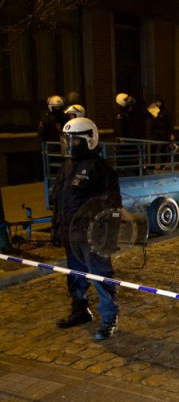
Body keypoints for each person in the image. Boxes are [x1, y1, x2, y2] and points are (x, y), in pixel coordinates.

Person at [51, 117, 122, 341]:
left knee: (101, 277)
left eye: (76, 140)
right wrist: (57, 229)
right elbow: (60, 201)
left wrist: (107, 236)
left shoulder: (100, 169)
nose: (71, 144)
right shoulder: (67, 166)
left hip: (93, 237)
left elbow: (113, 206)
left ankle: (109, 317)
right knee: (75, 276)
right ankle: (80, 309)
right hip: (70, 236)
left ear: (90, 140)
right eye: (68, 140)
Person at [145, 98, 175, 167]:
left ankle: (162, 165)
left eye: (159, 102)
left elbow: (170, 123)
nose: (158, 104)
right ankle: (152, 165)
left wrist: (171, 133)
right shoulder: (154, 109)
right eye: (157, 102)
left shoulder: (165, 112)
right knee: (153, 149)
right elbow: (146, 114)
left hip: (163, 134)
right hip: (154, 134)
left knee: (163, 150)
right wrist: (151, 107)